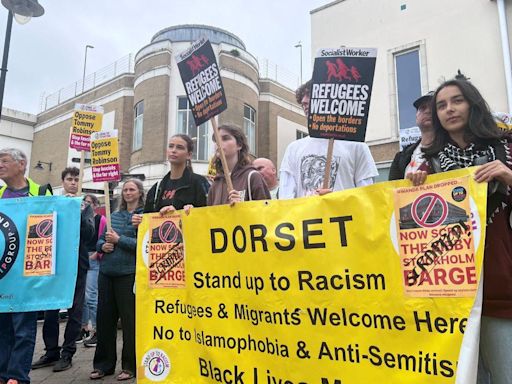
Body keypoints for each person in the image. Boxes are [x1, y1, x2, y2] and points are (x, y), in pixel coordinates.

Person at [407, 77, 512, 384]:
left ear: (472, 104)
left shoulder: (505, 149)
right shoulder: (424, 161)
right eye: (441, 105)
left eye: (457, 101)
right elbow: (398, 217)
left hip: (500, 287)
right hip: (449, 296)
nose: (449, 109)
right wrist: (411, 186)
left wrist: (508, 176)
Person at [32, 167, 94, 372]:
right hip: (55, 263)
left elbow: (90, 236)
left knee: (75, 310)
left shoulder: (84, 206)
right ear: (63, 181)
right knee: (50, 309)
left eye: (77, 180)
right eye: (70, 179)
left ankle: (67, 353)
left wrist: (78, 214)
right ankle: (51, 351)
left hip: (77, 264)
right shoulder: (54, 203)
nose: (73, 183)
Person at [0, 148, 52, 384]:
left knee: (23, 328)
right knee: (2, 330)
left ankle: (17, 376)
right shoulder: (0, 194)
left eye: (4, 160)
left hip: (28, 274)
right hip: (4, 273)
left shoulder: (40, 192)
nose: (0, 164)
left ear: (22, 164)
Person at [279, 80, 378, 198]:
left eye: (310, 95)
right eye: (303, 98)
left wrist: (336, 200)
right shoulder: (293, 149)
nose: (304, 101)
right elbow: (285, 199)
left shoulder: (357, 146)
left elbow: (367, 197)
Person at [90, 179, 144, 381]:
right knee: (104, 321)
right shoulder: (114, 216)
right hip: (107, 273)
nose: (128, 193)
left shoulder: (143, 217)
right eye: (125, 190)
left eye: (132, 189)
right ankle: (103, 365)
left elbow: (143, 245)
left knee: (129, 323)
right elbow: (102, 240)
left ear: (139, 193)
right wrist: (102, 246)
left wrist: (119, 240)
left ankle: (129, 367)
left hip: (128, 274)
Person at [132, 134, 208, 227]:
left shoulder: (199, 182)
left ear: (189, 155)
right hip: (162, 240)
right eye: (171, 146)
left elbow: (208, 217)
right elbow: (147, 225)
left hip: (189, 239)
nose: (174, 150)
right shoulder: (156, 188)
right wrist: (139, 223)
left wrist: (191, 213)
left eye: (179, 147)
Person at [208, 124, 270, 205]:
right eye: (216, 140)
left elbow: (266, 212)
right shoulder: (215, 184)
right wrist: (192, 212)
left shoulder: (252, 177)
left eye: (225, 138)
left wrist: (241, 208)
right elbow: (210, 216)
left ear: (239, 145)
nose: (219, 143)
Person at [78, 194, 106, 347]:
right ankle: (83, 327)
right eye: (84, 202)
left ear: (95, 205)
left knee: (91, 295)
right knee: (82, 297)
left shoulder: (101, 219)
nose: (86, 205)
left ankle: (96, 329)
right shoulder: (82, 218)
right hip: (83, 256)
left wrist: (98, 254)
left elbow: (103, 237)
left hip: (94, 258)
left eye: (89, 202)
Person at [388, 91, 434, 180]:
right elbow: (392, 190)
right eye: (423, 108)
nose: (428, 111)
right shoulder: (401, 158)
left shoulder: (452, 152)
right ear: (416, 117)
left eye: (433, 108)